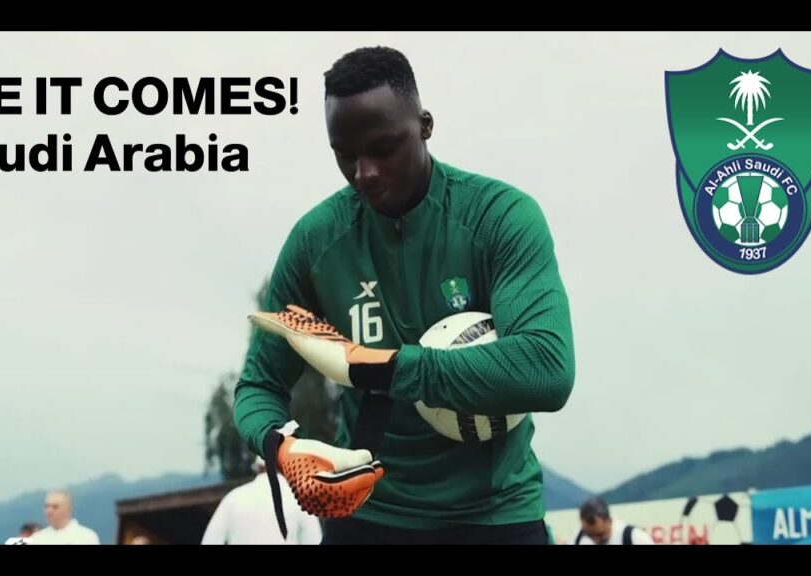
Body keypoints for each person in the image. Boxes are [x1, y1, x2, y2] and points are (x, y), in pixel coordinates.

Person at [235, 46, 575, 545]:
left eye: (383, 147)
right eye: (344, 154)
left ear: (425, 125)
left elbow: (547, 369)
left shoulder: (500, 217)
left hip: (495, 515)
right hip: (370, 515)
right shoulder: (315, 240)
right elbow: (257, 386)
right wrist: (281, 449)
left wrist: (376, 366)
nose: (363, 172)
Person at [201, 456, 322, 545]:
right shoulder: (301, 502)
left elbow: (211, 541)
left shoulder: (233, 498)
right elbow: (314, 541)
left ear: (258, 468)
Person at [574, 497, 654, 545]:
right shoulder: (579, 539)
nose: (595, 540)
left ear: (609, 521)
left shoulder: (633, 537)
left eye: (600, 534)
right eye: (590, 535)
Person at [30, 490, 100, 545]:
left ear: (68, 509)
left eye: (55, 507)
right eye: (47, 506)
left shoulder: (87, 537)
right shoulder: (36, 538)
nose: (49, 511)